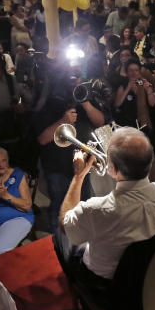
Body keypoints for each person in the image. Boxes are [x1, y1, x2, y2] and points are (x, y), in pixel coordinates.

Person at [56, 127, 155, 288]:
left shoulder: (96, 209)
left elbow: (65, 224)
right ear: (151, 163)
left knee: (60, 236)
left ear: (113, 169)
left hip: (108, 287)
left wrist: (79, 176)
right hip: (154, 271)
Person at [34, 59, 107, 223]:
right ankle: (60, 243)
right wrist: (62, 121)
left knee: (85, 204)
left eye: (78, 76)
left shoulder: (85, 97)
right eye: (71, 77)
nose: (76, 80)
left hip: (82, 164)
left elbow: (100, 122)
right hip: (57, 167)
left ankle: (85, 239)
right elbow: (42, 139)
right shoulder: (48, 102)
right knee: (61, 208)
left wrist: (86, 103)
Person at [112, 59, 155, 130]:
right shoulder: (123, 86)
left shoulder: (144, 84)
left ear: (139, 72)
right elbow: (117, 104)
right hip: (128, 123)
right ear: (127, 72)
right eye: (131, 70)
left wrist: (149, 91)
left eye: (136, 70)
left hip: (145, 122)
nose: (134, 73)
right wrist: (128, 88)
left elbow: (152, 104)